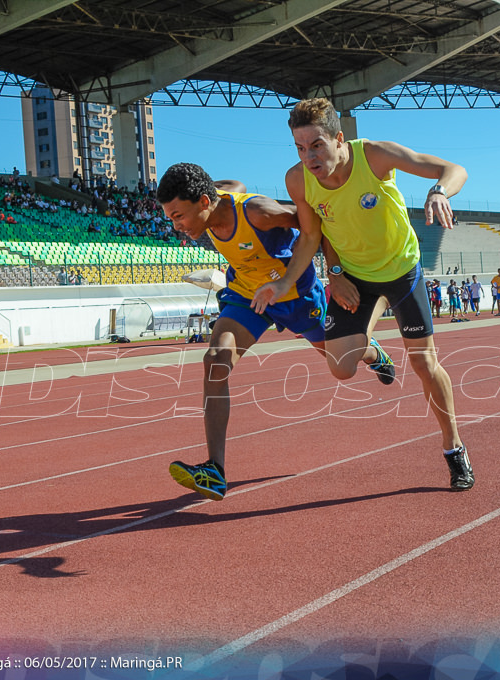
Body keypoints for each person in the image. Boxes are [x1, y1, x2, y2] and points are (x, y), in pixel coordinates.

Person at [252, 97, 474, 491]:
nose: (309, 157)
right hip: (354, 278)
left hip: (402, 273)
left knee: (424, 366)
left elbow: (453, 168)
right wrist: (317, 276)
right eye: (300, 148)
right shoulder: (298, 181)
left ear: (339, 139)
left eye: (316, 145)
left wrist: (439, 191)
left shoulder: (374, 156)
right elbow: (312, 235)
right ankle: (377, 353)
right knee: (340, 368)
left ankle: (453, 447)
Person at [157, 163, 396, 501]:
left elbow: (316, 224)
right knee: (215, 359)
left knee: (342, 365)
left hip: (297, 297)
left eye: (178, 215)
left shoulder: (259, 213)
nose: (176, 225)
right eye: (170, 217)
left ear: (203, 202)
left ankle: (373, 352)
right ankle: (215, 471)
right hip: (248, 297)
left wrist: (336, 272)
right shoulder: (217, 197)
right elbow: (233, 181)